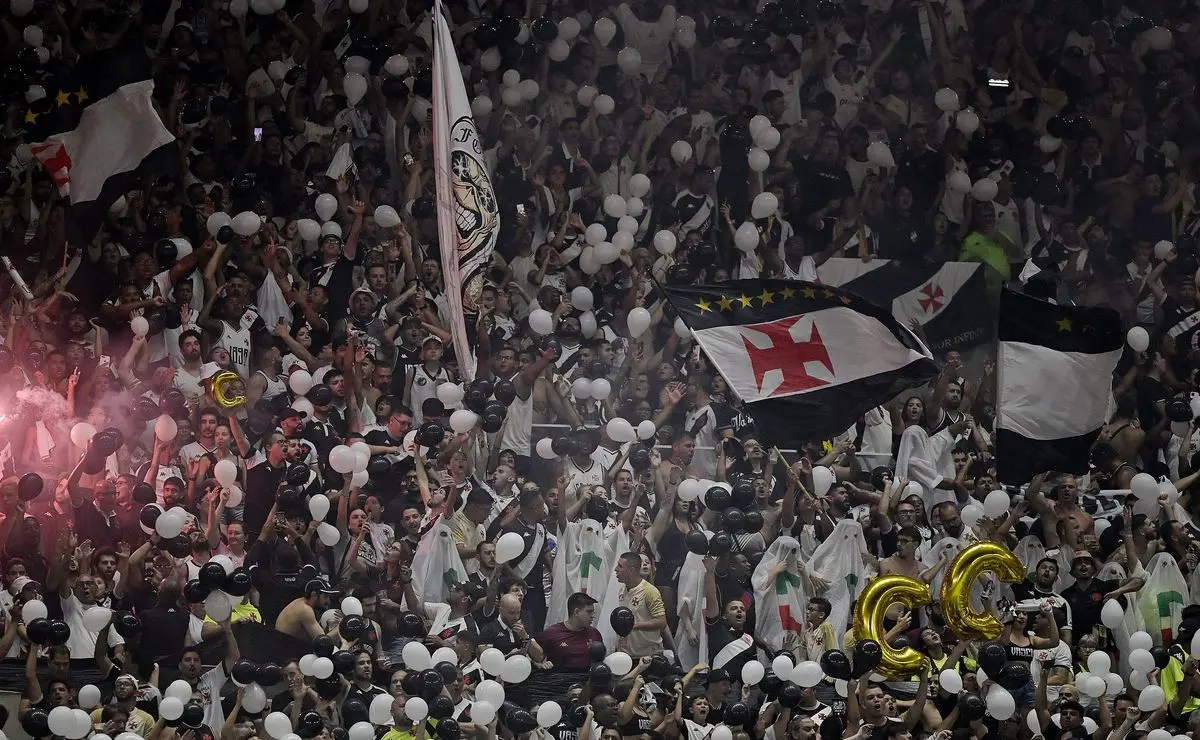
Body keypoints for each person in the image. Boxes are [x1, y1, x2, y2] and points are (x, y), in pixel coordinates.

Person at [533, 592, 603, 670]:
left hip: (586, 680)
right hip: (559, 680)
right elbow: (533, 657)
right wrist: (540, 665)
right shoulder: (552, 633)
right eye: (589, 612)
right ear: (576, 612)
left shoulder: (595, 634)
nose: (593, 615)